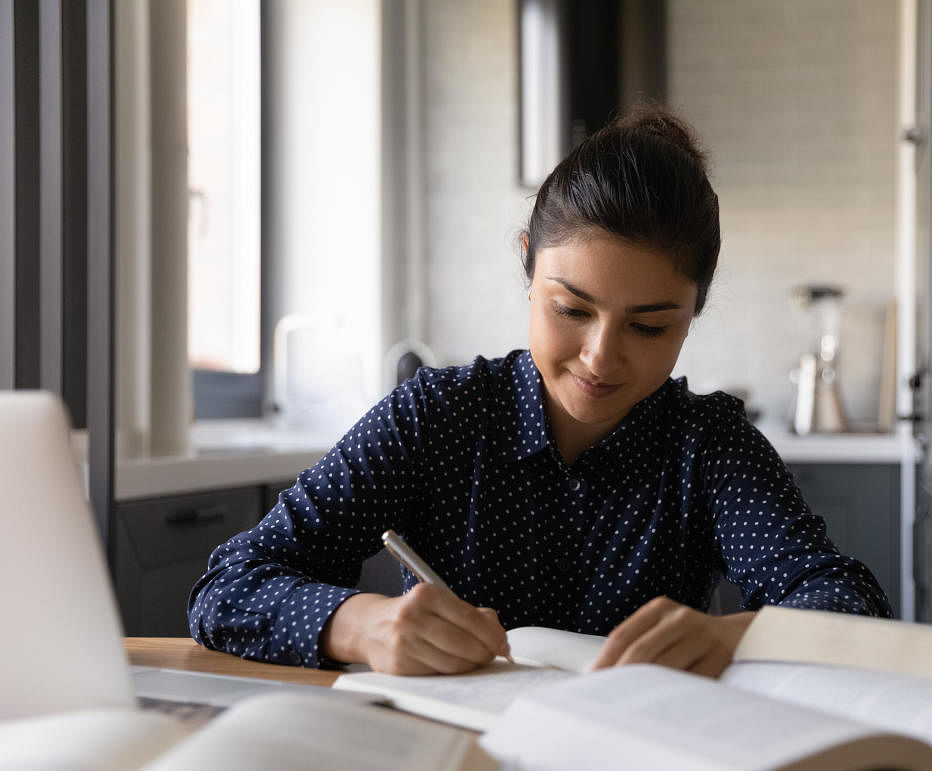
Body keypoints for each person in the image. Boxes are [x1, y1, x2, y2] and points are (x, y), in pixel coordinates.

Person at [188, 105, 892, 678]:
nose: (600, 358)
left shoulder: (707, 445)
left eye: (649, 326)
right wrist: (361, 624)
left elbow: (851, 608)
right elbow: (230, 585)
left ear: (693, 313)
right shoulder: (438, 415)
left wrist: (733, 636)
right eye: (572, 310)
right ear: (529, 263)